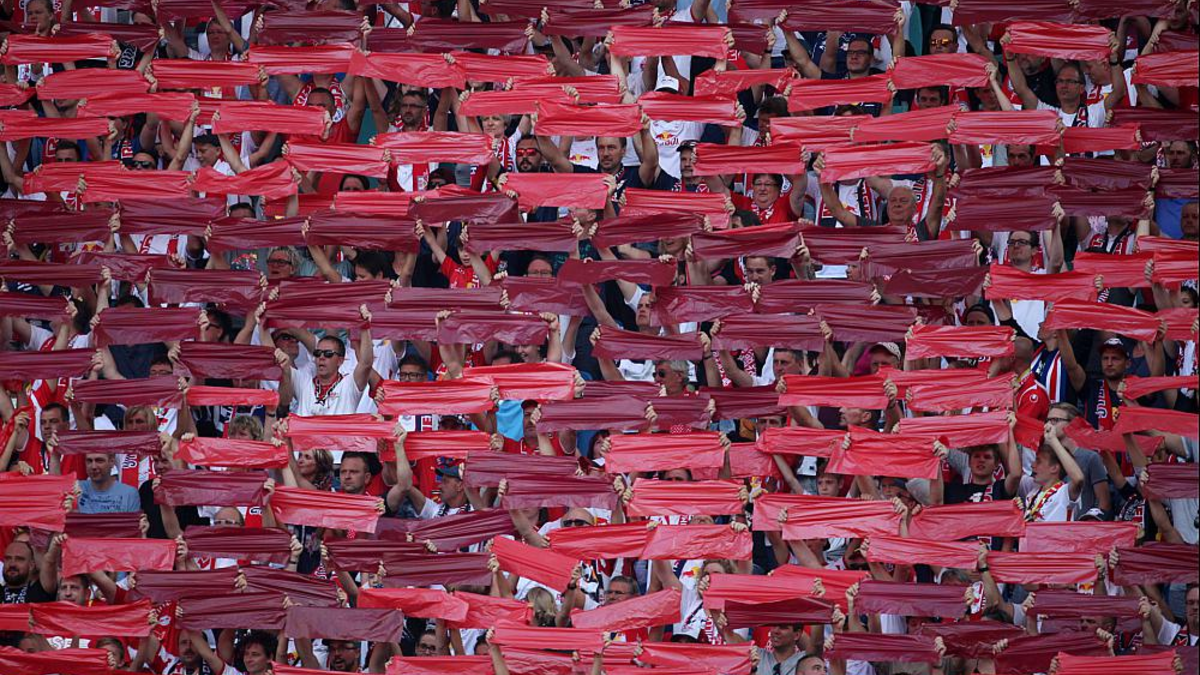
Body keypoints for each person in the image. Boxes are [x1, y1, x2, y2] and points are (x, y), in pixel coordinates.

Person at [76, 452, 142, 514]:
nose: (93, 466)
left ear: (112, 462)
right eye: (89, 461)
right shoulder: (75, 489)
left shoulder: (129, 494)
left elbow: (133, 525)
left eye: (99, 461)